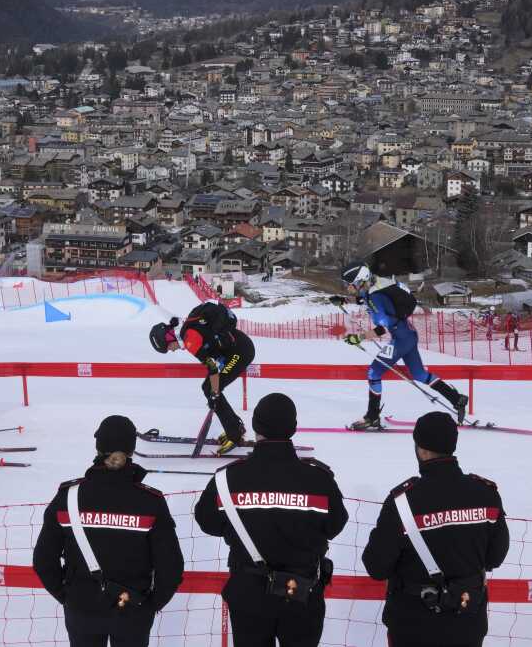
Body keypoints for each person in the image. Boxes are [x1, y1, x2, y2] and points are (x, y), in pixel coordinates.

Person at [195, 393, 348, 647]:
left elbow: (207, 521)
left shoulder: (227, 479)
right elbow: (335, 524)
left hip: (248, 594)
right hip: (302, 593)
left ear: (256, 427)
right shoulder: (319, 479)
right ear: (293, 428)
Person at [33, 415, 184, 647]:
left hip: (82, 608)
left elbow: (43, 559)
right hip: (133, 609)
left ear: (98, 447)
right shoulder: (150, 501)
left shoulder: (68, 497)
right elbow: (171, 566)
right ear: (132, 451)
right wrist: (150, 605)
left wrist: (69, 596)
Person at [361, 412, 510, 647]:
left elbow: (376, 566)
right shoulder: (486, 494)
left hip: (413, 625)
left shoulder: (402, 502)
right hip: (467, 622)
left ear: (420, 449)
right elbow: (495, 557)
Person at [330, 263, 468, 430]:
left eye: (349, 284)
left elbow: (382, 328)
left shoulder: (375, 296)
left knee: (373, 372)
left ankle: (372, 416)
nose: (347, 287)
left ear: (360, 281)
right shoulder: (376, 286)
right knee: (419, 374)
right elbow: (364, 299)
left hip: (400, 340)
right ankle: (457, 399)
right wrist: (344, 300)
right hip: (409, 335)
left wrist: (358, 337)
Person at [149, 301, 253, 455]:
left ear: (169, 337)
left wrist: (215, 393)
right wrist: (214, 392)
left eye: (168, 347)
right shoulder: (187, 332)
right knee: (210, 390)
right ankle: (235, 427)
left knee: (212, 391)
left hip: (240, 351)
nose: (171, 350)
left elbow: (212, 369)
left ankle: (235, 435)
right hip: (236, 347)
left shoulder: (190, 340)